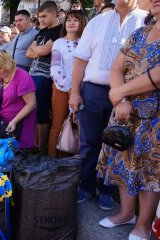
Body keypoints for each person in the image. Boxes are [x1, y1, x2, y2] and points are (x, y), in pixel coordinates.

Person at [68, 0, 148, 210]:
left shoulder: (146, 20)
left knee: (117, 144)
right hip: (93, 90)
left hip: (130, 95)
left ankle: (106, 190)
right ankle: (85, 186)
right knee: (88, 144)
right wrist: (75, 93)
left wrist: (125, 97)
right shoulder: (98, 21)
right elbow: (80, 61)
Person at [97, 6, 160, 240]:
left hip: (156, 117)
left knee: (150, 170)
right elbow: (116, 68)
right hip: (125, 114)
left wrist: (121, 91)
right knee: (123, 161)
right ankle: (125, 214)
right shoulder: (139, 33)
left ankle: (143, 224)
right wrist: (122, 99)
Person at [0, 50, 36, 149]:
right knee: (3, 155)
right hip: (3, 124)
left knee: (18, 154)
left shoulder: (23, 77)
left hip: (21, 124)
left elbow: (31, 104)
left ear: (7, 64)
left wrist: (14, 121)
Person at [48, 10, 86, 157]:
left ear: (82, 23)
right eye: (68, 20)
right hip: (62, 89)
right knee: (58, 126)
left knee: (78, 127)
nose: (71, 22)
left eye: (75, 20)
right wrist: (70, 89)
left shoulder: (85, 42)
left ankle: (74, 164)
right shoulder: (59, 43)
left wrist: (79, 89)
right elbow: (55, 69)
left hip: (84, 90)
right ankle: (52, 162)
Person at [26, 0, 62, 151]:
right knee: (32, 111)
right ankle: (34, 145)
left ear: (54, 13)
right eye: (39, 17)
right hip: (32, 75)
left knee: (42, 112)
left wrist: (36, 48)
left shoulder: (59, 30)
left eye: (43, 16)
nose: (40, 19)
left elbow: (43, 52)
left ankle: (41, 148)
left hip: (44, 77)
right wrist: (37, 49)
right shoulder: (42, 31)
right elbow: (29, 53)